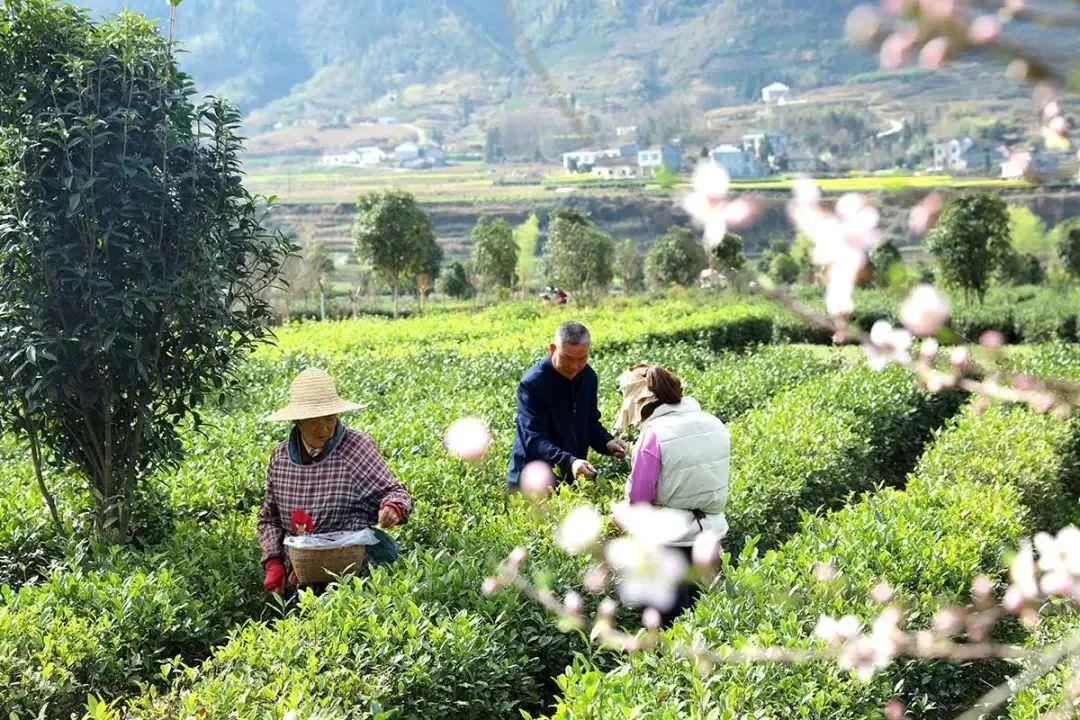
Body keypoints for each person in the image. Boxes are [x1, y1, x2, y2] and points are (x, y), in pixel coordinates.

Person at [258, 368, 412, 595]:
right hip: (300, 578)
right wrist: (273, 563)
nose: (324, 430)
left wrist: (393, 508)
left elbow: (394, 491)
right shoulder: (281, 458)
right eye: (313, 421)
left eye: (330, 418)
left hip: (355, 575)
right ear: (297, 421)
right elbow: (269, 519)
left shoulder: (356, 447)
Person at [615, 363, 730, 623]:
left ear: (643, 406)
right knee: (706, 619)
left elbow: (639, 499)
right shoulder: (714, 423)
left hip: (669, 541)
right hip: (709, 533)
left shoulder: (654, 434)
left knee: (669, 626)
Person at [507, 321, 628, 488]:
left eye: (582, 358)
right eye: (567, 358)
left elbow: (589, 423)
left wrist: (607, 443)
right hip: (531, 480)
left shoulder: (588, 377)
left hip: (570, 476)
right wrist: (570, 461)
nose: (575, 366)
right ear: (552, 349)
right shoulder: (533, 384)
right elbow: (533, 439)